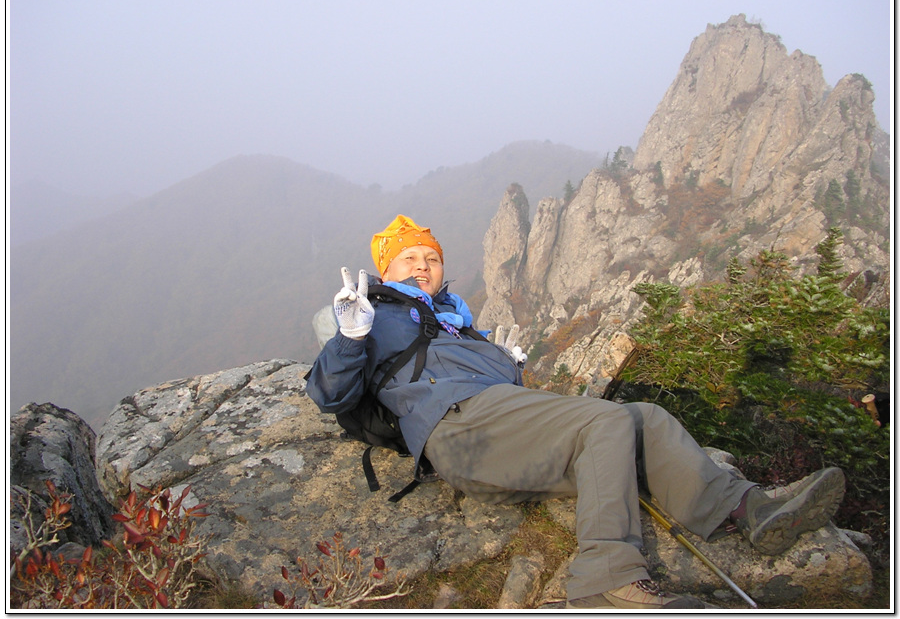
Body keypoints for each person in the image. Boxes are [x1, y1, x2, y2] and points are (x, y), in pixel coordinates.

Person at [306, 214, 846, 610]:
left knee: (644, 418)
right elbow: (329, 394)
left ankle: (747, 512)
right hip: (458, 429)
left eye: (431, 257)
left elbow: (514, 405)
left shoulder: (457, 322)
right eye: (409, 258)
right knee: (604, 420)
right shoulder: (374, 313)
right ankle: (604, 575)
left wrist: (505, 364)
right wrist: (351, 337)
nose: (422, 265)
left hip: (499, 427)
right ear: (386, 268)